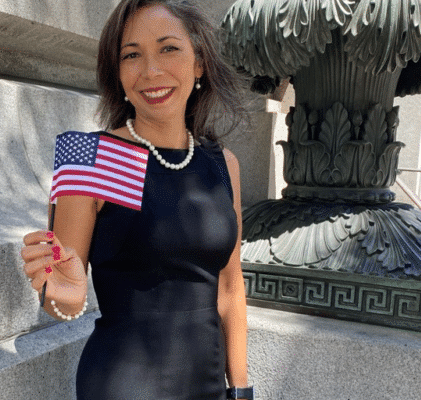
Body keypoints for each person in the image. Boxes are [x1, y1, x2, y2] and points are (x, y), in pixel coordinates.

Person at [21, 0, 252, 398]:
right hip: (123, 385)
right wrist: (60, 296)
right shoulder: (93, 160)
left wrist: (242, 388)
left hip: (208, 386)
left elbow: (230, 290)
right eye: (132, 55)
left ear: (199, 63)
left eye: (168, 48)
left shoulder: (222, 164)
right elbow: (65, 298)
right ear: (118, 72)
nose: (151, 71)